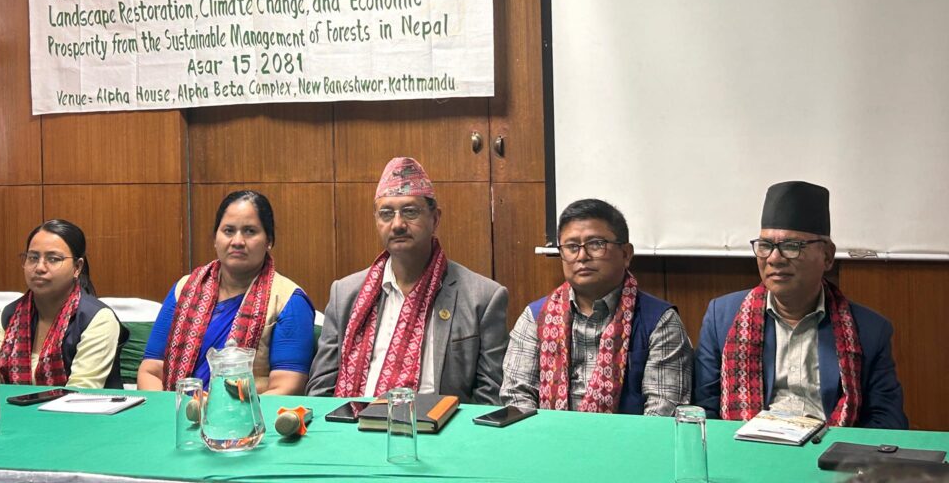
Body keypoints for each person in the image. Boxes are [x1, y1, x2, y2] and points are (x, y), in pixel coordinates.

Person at [695, 180, 908, 429]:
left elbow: (887, 420)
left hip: (830, 446)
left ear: (827, 256)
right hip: (747, 445)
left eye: (791, 246)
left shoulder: (870, 330)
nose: (774, 258)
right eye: (765, 246)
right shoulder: (722, 317)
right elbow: (705, 411)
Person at [307, 156, 508, 404]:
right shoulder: (345, 294)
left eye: (410, 212)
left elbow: (489, 400)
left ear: (435, 219)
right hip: (355, 423)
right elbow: (320, 392)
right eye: (386, 214)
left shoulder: (483, 298)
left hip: (442, 425)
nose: (398, 224)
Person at [500, 198, 693, 414]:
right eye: (572, 247)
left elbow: (663, 411)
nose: (582, 256)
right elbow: (516, 396)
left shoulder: (660, 321)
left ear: (626, 254)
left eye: (596, 244)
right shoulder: (535, 317)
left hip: (630, 436)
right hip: (548, 433)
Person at [137, 190, 315, 394]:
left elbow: (287, 386)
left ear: (269, 241)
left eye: (250, 231)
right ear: (215, 238)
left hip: (249, 411)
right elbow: (151, 371)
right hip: (177, 409)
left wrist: (220, 408)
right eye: (229, 231)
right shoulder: (184, 289)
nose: (237, 241)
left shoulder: (289, 300)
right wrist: (175, 408)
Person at [0, 219, 128, 389]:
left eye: (53, 259)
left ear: (77, 267)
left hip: (80, 406)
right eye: (33, 258)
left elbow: (79, 394)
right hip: (8, 407)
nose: (40, 267)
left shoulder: (98, 319)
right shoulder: (5, 319)